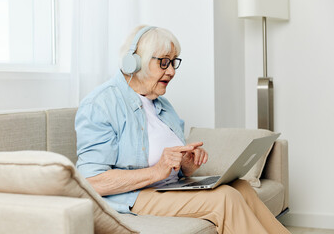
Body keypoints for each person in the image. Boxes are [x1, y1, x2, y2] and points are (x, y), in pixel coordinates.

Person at [75, 25, 290, 234]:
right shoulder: (101, 104)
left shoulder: (162, 104)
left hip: (168, 188)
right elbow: (91, 181)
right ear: (135, 63)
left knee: (240, 186)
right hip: (132, 197)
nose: (171, 71)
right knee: (225, 198)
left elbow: (173, 166)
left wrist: (186, 165)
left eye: (173, 62)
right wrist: (156, 171)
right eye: (164, 62)